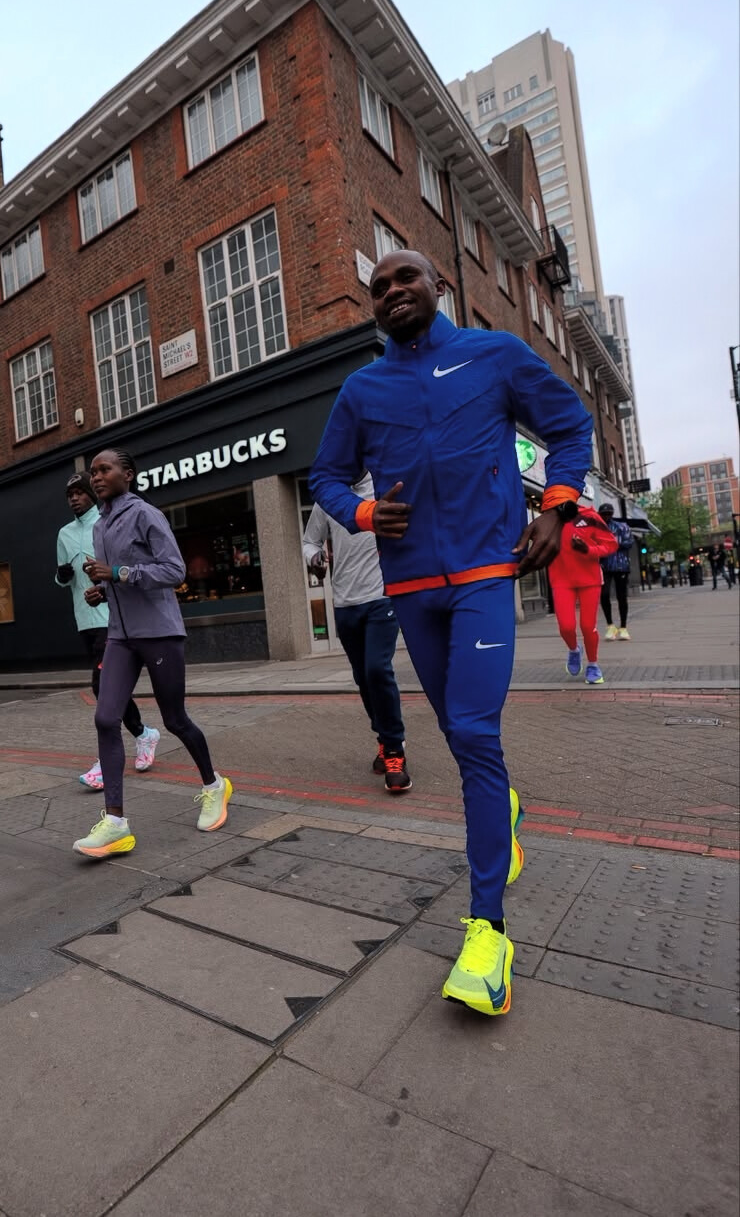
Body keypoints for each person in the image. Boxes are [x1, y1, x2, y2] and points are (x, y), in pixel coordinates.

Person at [308, 250, 592, 1018]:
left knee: (472, 731)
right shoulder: (363, 389)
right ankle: (503, 810)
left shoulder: (495, 354)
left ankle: (488, 935)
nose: (393, 291)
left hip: (485, 573)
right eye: (379, 287)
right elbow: (325, 476)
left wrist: (557, 506)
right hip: (409, 587)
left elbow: (570, 425)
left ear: (438, 286)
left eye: (407, 278)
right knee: (460, 735)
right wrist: (363, 512)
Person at [72, 448, 231, 859]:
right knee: (105, 718)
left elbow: (174, 571)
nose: (96, 477)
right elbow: (116, 580)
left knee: (175, 719)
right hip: (120, 636)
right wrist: (101, 590)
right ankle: (115, 824)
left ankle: (214, 786)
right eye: (93, 472)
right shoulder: (99, 527)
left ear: (128, 474)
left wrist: (119, 574)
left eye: (104, 469)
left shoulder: (147, 515)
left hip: (160, 632)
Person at [302, 476, 412, 791]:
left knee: (378, 669)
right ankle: (385, 738)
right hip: (345, 603)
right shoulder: (329, 498)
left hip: (382, 597)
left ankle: (395, 752)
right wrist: (314, 558)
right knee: (363, 677)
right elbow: (310, 541)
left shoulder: (384, 486)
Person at [54, 472, 159, 789]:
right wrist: (62, 575)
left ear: (91, 493)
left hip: (112, 618)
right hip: (85, 620)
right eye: (70, 495)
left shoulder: (106, 524)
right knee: (109, 688)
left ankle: (108, 760)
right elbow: (63, 580)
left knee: (103, 688)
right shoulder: (64, 534)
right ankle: (143, 733)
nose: (74, 498)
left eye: (79, 492)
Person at [550, 504, 618, 683]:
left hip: (590, 579)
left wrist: (588, 550)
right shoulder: (551, 517)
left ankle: (593, 665)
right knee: (566, 626)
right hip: (561, 579)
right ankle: (574, 650)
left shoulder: (589, 516)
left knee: (588, 626)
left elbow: (611, 544)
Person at [598, 503, 634, 640]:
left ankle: (623, 627)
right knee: (604, 594)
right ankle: (610, 625)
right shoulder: (598, 528)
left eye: (609, 513)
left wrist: (613, 543)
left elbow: (629, 542)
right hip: (604, 565)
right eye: (604, 514)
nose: (606, 516)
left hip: (621, 565)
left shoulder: (622, 527)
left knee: (621, 596)